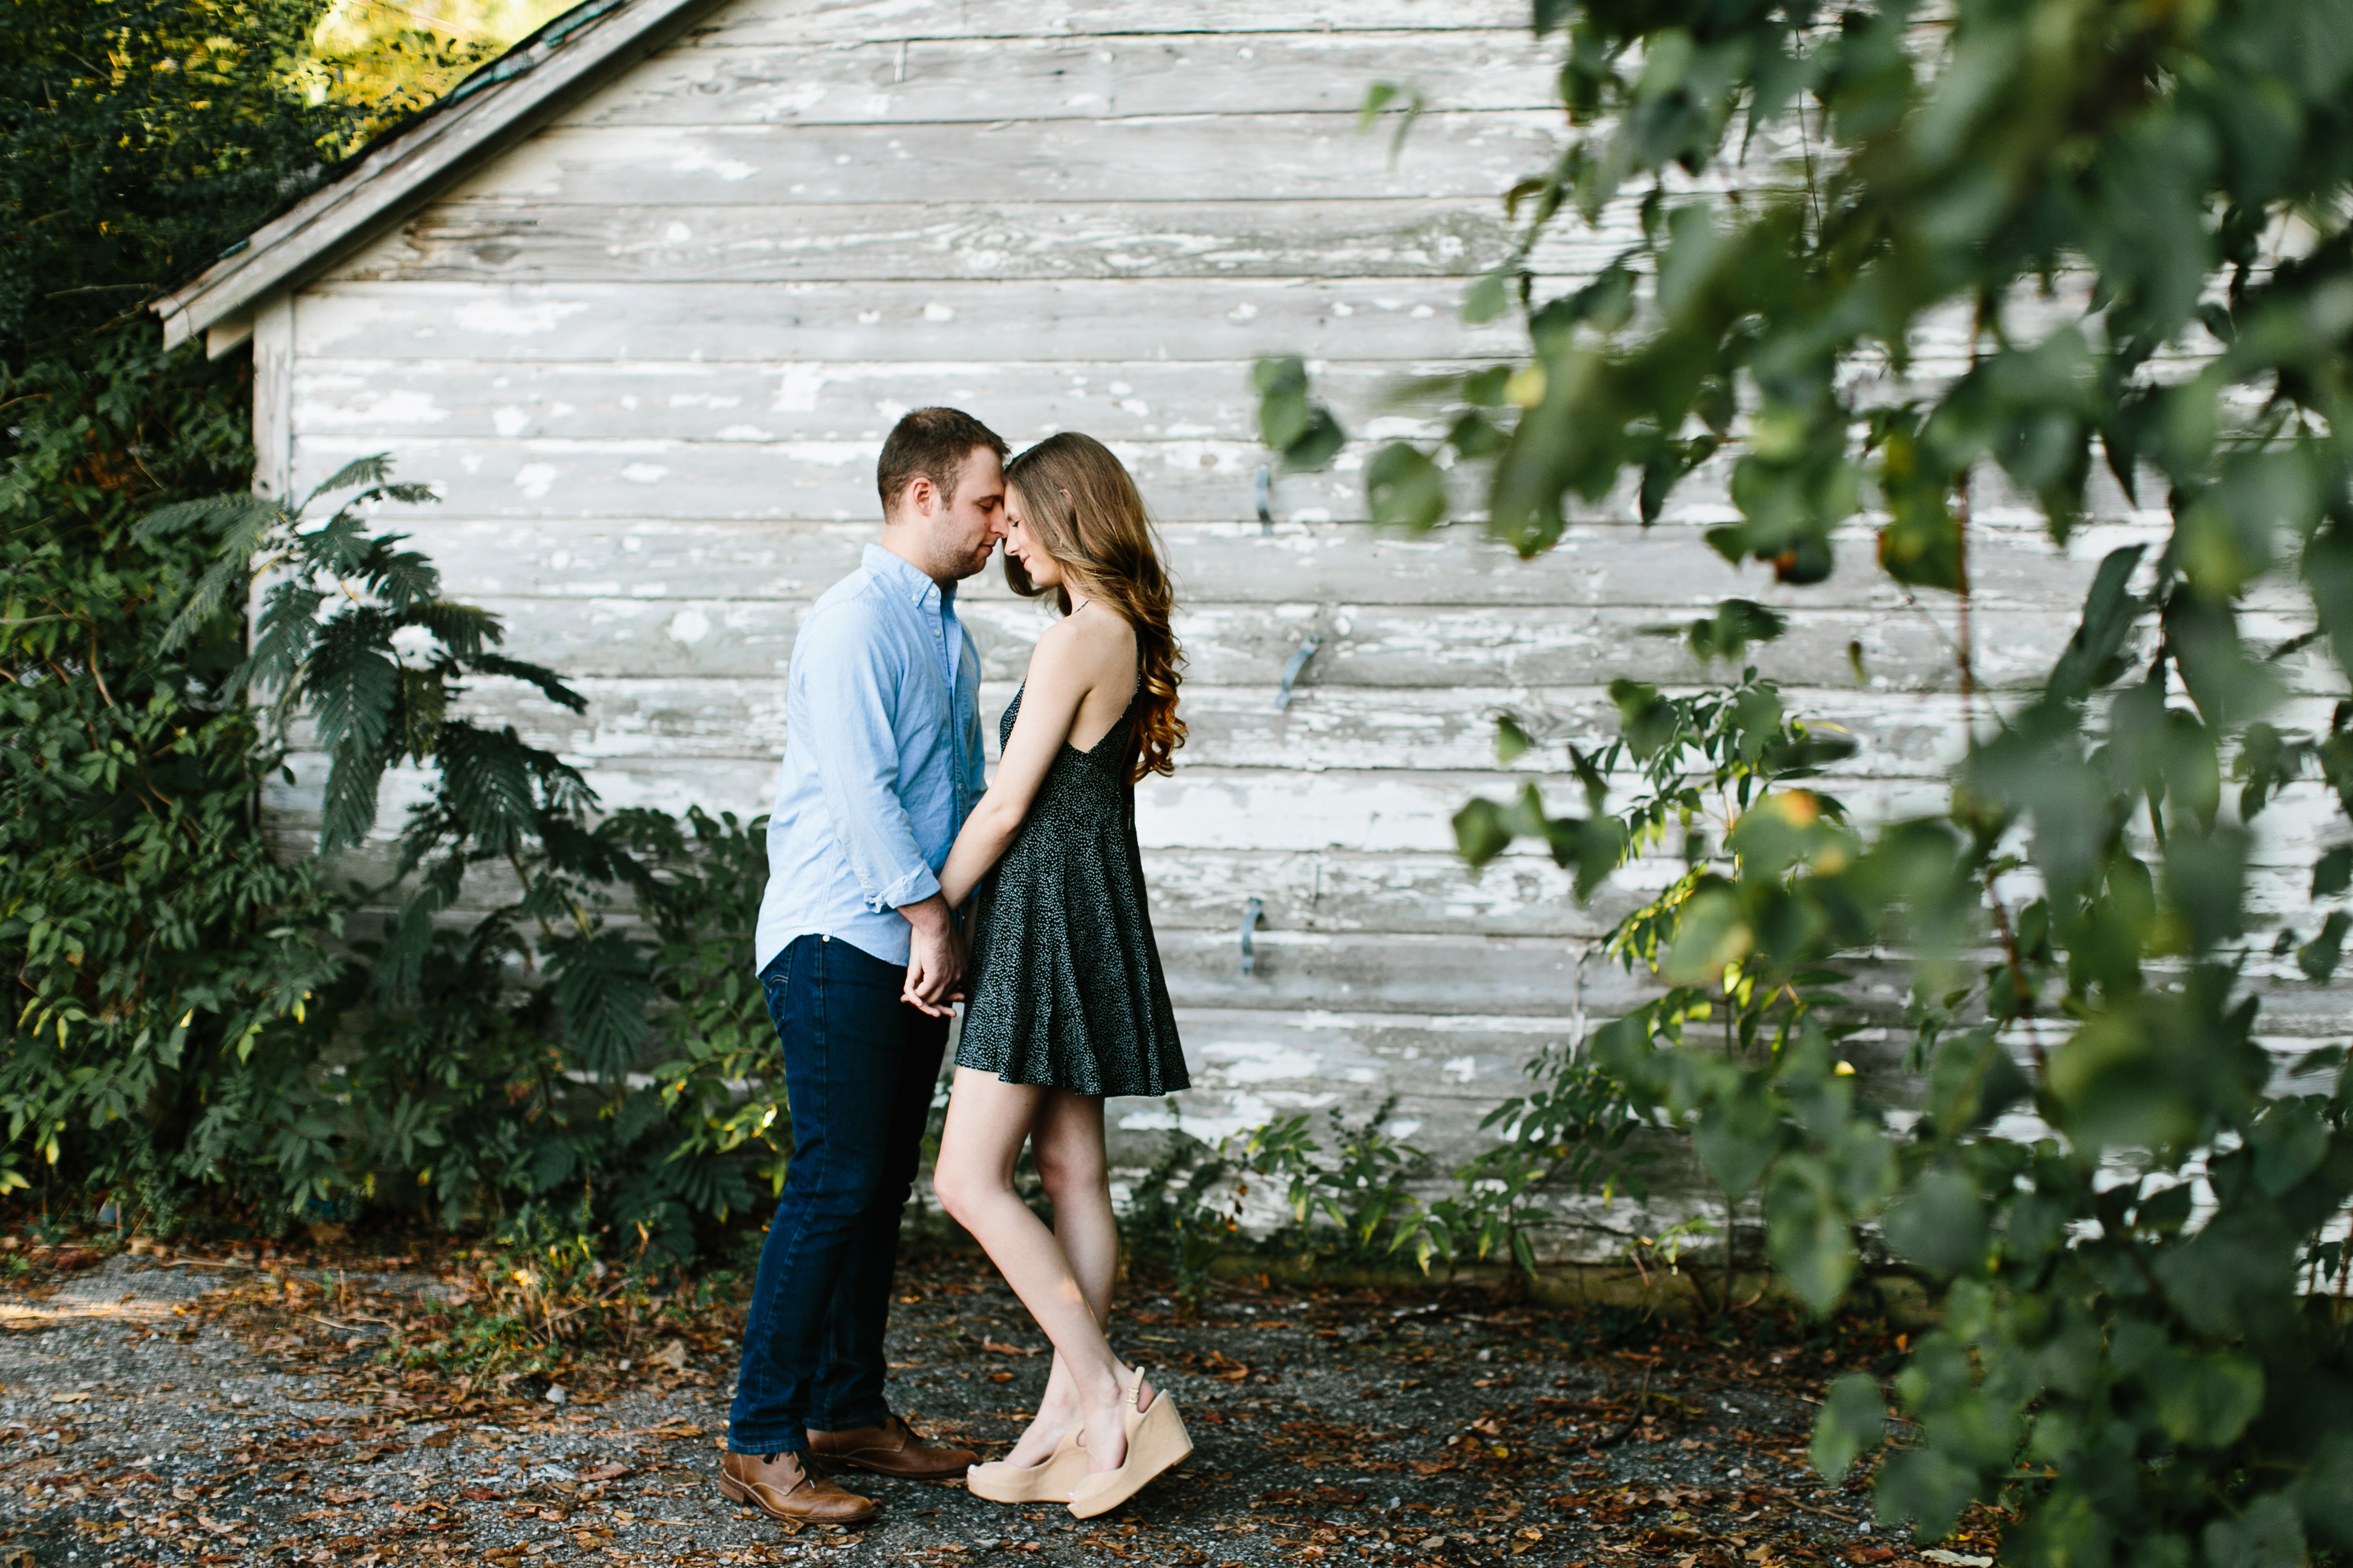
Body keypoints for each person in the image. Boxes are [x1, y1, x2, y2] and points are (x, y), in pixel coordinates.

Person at [717, 407, 1008, 1527]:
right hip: (842, 934)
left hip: (914, 939)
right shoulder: (852, 623)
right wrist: (933, 918)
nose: (999, 526)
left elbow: (961, 795)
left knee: (878, 1185)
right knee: (835, 1178)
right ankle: (759, 1433)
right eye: (985, 502)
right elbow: (861, 793)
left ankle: (847, 1409)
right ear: (922, 496)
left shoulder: (948, 631)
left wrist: (954, 924)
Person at [926, 432, 1193, 1519]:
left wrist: (930, 914)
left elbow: (1004, 805)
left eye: (1024, 516)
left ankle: (1106, 1394)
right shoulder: (1114, 633)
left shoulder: (1077, 638)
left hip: (1043, 921)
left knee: (964, 1179)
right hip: (1085, 915)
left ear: (1071, 515)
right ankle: (1057, 1430)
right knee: (1074, 1174)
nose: (1008, 533)